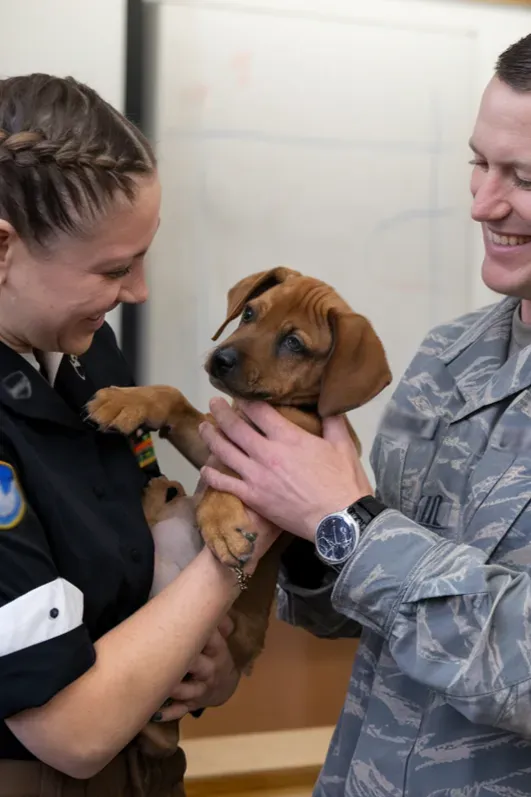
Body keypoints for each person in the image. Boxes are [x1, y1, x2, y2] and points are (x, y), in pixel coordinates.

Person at [197, 33, 531, 797]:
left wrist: (345, 519)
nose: (482, 203)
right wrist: (312, 537)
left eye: (522, 175)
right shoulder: (447, 357)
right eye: (477, 163)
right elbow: (356, 612)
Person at [0, 74, 277, 797]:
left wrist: (204, 668)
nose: (140, 292)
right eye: (114, 269)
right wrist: (254, 529)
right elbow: (72, 732)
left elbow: (128, 556)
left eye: (143, 256)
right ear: (2, 249)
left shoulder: (87, 354)